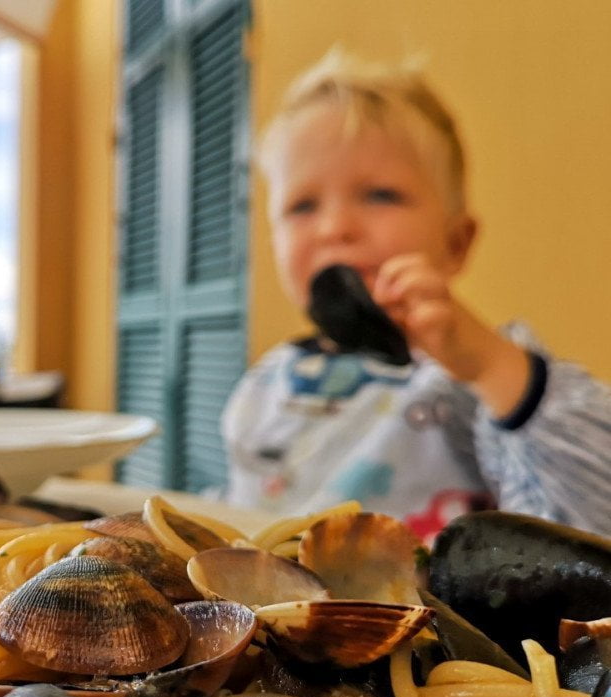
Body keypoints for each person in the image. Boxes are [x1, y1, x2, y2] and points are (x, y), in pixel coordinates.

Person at [222, 50, 611, 541]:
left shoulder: (471, 372)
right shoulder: (263, 384)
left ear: (455, 243)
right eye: (301, 205)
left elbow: (593, 507)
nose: (335, 227)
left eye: (381, 195)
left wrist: (489, 366)